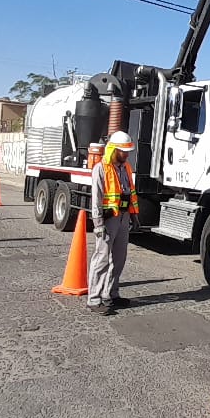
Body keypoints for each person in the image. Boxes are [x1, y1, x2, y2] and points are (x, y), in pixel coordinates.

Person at [87, 130, 140, 316]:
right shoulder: (100, 168)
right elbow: (96, 200)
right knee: (101, 259)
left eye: (127, 151)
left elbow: (129, 192)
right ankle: (94, 299)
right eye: (123, 151)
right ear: (113, 149)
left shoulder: (125, 167)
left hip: (124, 218)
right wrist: (98, 224)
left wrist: (134, 216)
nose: (126, 154)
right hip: (108, 220)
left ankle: (111, 294)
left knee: (119, 258)